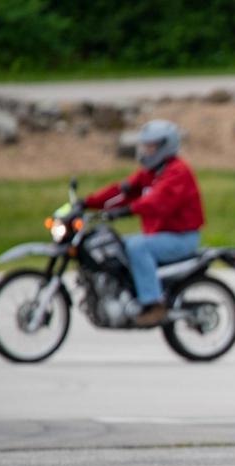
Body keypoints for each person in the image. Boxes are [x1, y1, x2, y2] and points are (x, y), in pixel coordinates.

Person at [82, 120, 205, 327]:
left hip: (182, 238)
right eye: (145, 146)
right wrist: (88, 202)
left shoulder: (177, 172)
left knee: (136, 247)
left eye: (151, 147)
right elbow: (121, 191)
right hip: (159, 236)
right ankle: (127, 295)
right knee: (113, 246)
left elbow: (156, 201)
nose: (146, 151)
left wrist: (127, 211)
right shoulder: (151, 172)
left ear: (165, 146)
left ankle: (153, 304)